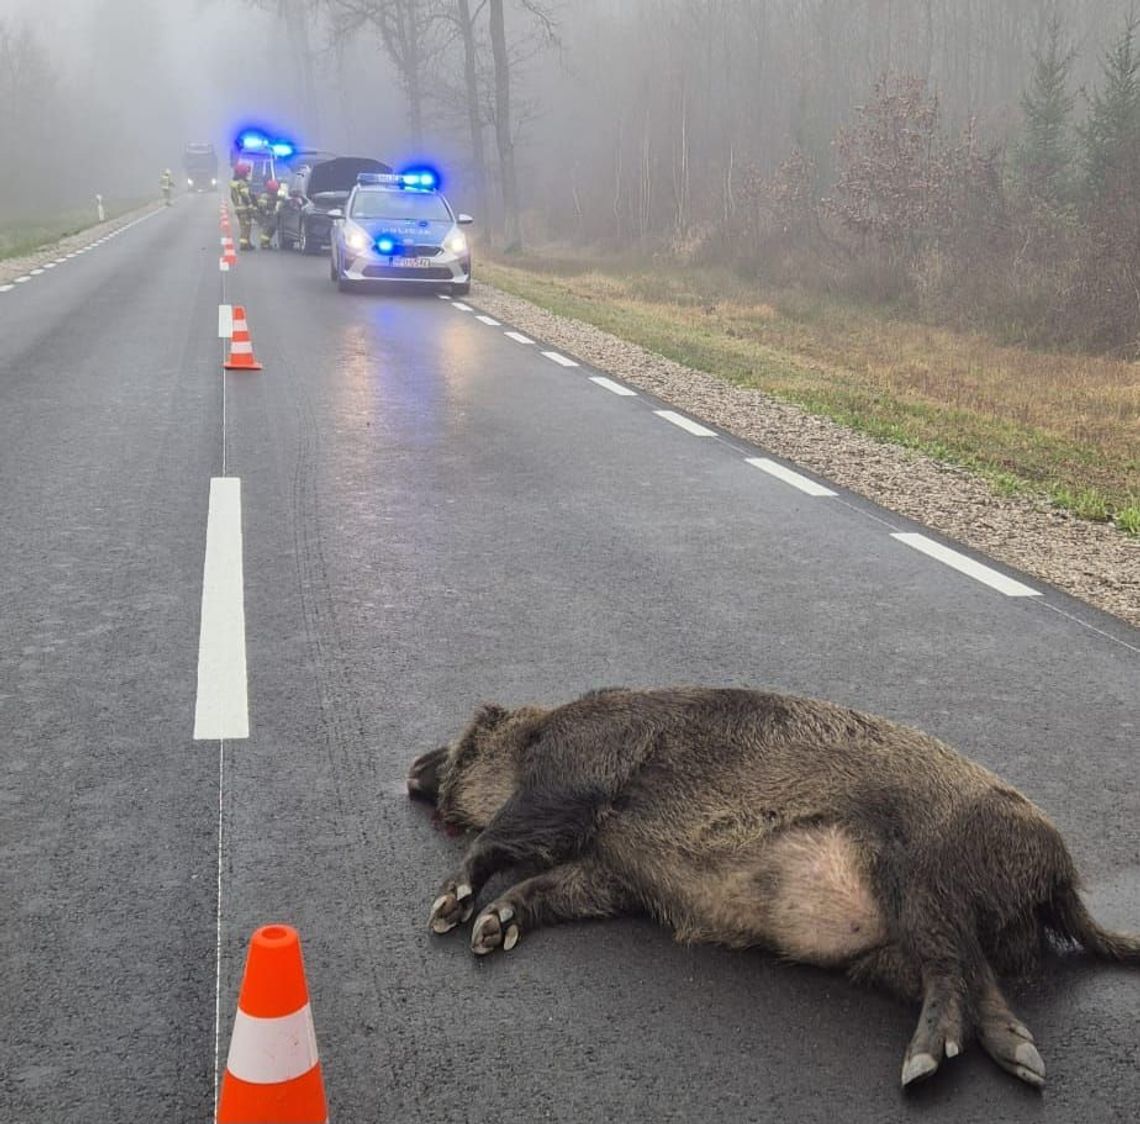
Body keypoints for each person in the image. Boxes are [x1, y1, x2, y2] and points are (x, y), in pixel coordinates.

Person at [230, 162, 254, 250]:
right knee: (246, 226)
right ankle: (244, 244)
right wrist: (250, 204)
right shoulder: (242, 183)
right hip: (244, 208)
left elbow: (232, 197)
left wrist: (236, 205)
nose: (247, 174)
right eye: (246, 173)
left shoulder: (234, 184)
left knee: (245, 225)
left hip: (238, 208)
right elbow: (245, 195)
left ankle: (247, 242)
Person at [256, 178, 281, 249]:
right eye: (274, 191)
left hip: (269, 214)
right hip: (263, 215)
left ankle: (266, 242)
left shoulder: (273, 195)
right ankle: (264, 244)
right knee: (267, 229)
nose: (275, 192)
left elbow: (279, 198)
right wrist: (267, 213)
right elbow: (262, 207)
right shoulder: (264, 196)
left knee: (272, 228)